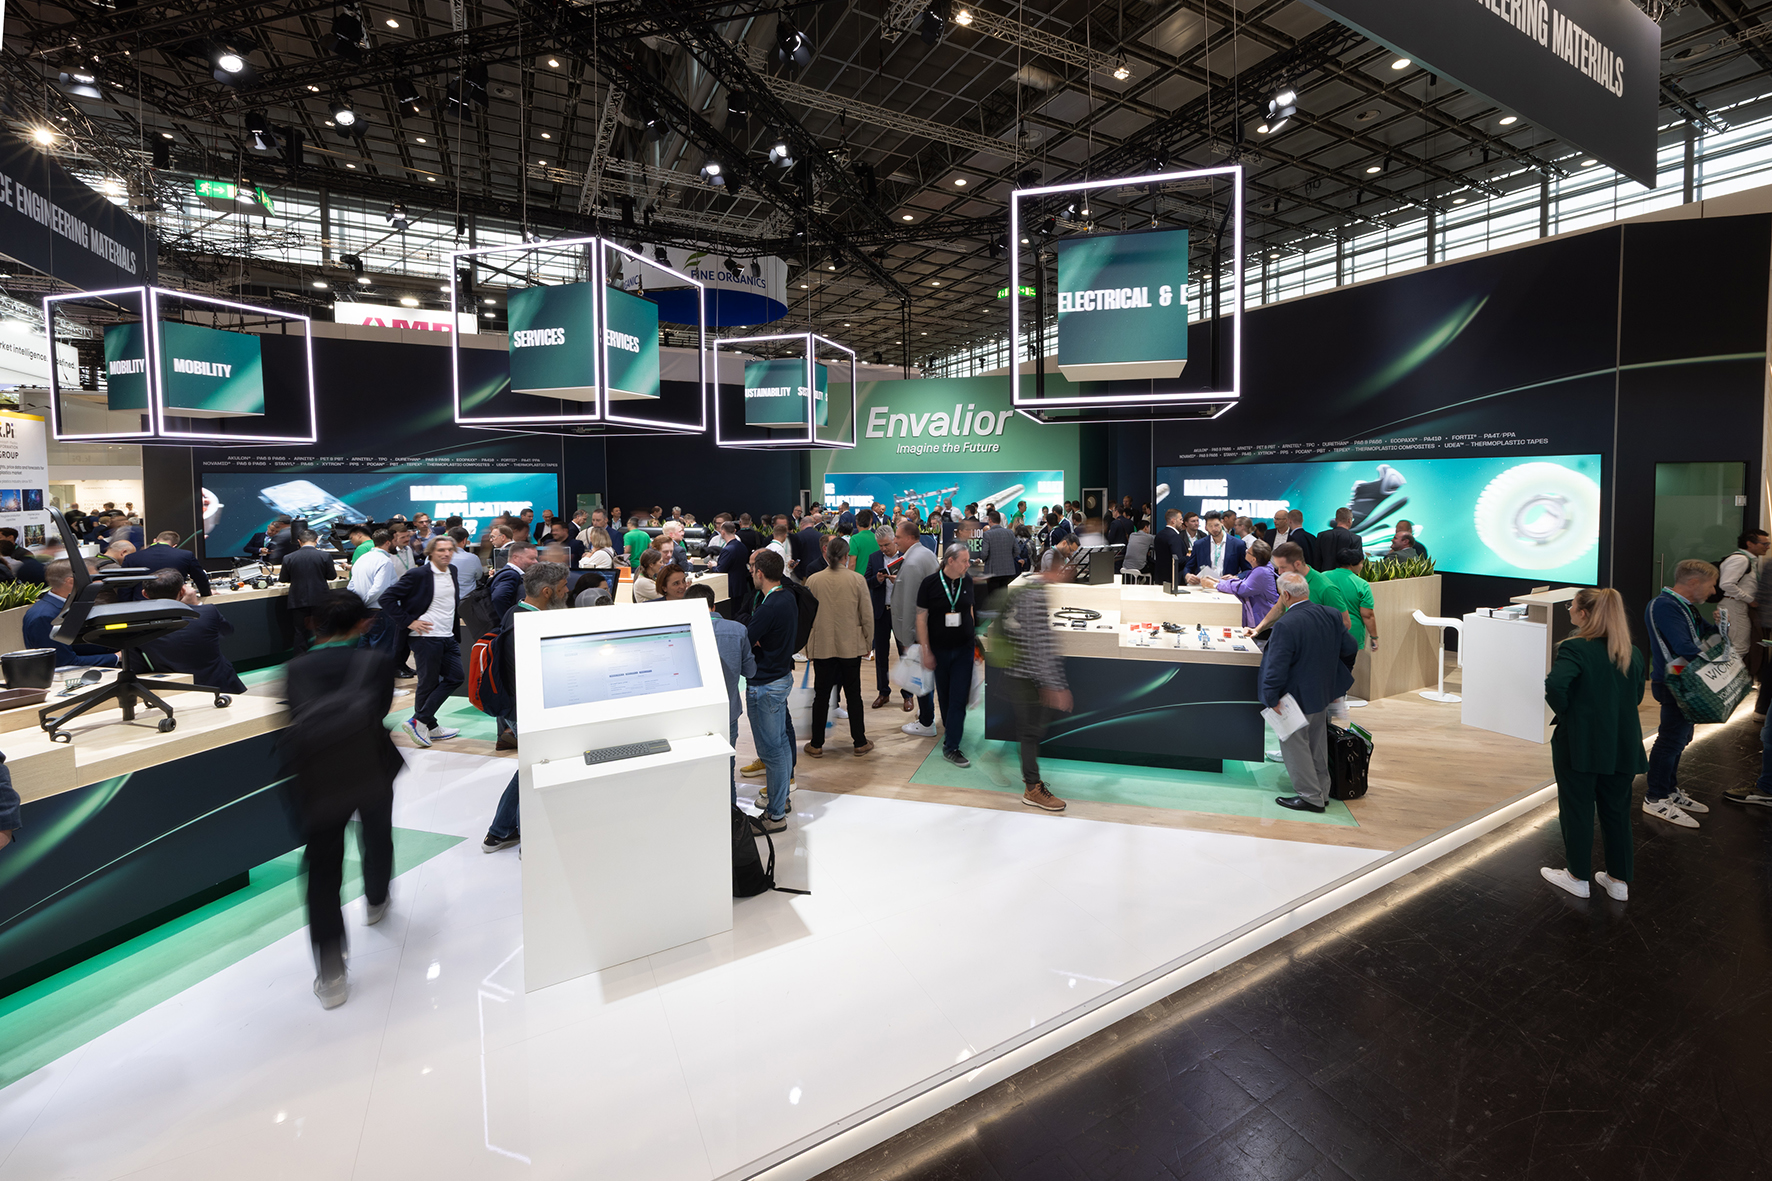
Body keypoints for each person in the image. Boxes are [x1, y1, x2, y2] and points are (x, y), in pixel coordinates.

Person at [282, 590, 400, 1009]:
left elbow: (291, 719)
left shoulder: (295, 667)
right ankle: (376, 899)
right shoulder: (376, 661)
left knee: (322, 868)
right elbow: (379, 710)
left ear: (316, 624)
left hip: (317, 776)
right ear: (361, 624)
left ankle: (331, 973)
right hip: (370, 764)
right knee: (377, 833)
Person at [1540, 588, 1646, 900]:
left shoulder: (1574, 648)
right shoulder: (1632, 652)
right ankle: (1618, 881)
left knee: (1577, 808)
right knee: (1617, 811)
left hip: (1580, 742)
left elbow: (1555, 686)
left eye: (1571, 606)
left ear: (1584, 614)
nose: (1569, 610)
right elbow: (1636, 696)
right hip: (1623, 742)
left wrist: (1571, 714)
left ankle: (1576, 876)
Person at [481, 561, 573, 854]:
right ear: (547, 592)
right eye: (563, 587)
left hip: (516, 709)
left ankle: (500, 832)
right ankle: (528, 841)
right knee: (534, 771)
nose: (567, 592)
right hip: (527, 711)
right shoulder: (533, 627)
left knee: (529, 768)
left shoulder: (515, 612)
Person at [1261, 572, 1358, 813]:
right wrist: (1338, 678)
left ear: (1285, 595)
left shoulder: (1286, 624)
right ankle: (1321, 792)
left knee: (1295, 746)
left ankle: (1310, 797)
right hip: (1323, 692)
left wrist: (1271, 696)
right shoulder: (1331, 614)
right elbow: (1350, 647)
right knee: (1317, 744)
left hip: (1293, 697)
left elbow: (1277, 665)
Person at [1643, 559, 1721, 828]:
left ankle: (1668, 790)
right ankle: (1656, 798)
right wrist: (1717, 658)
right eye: (1711, 585)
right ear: (1694, 582)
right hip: (1674, 683)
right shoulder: (1665, 606)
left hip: (1684, 681)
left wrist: (1720, 629)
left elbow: (1705, 636)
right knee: (1670, 740)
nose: (1713, 591)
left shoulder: (1684, 606)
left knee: (1680, 739)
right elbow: (1684, 647)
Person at [997, 558, 1071, 812]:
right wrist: (1052, 684)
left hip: (1025, 675)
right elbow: (1037, 645)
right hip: (1024, 676)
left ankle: (1031, 781)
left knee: (1030, 730)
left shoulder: (1034, 591)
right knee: (1029, 732)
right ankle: (1032, 789)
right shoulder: (1035, 596)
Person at [381, 537, 465, 748]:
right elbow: (387, 598)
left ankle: (422, 721)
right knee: (428, 682)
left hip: (448, 635)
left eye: (449, 549)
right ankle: (426, 725)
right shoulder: (418, 574)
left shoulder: (452, 571)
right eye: (441, 550)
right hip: (425, 637)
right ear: (431, 552)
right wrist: (409, 622)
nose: (446, 553)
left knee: (456, 677)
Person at [804, 535, 874, 758]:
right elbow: (867, 615)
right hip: (850, 646)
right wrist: (868, 642)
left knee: (821, 695)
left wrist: (807, 647)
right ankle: (860, 742)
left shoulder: (813, 580)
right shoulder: (857, 580)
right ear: (845, 556)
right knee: (854, 694)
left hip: (822, 645)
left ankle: (816, 744)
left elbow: (805, 617)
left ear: (826, 554)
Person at [745, 549, 797, 833]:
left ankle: (775, 815)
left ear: (760, 573)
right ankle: (781, 801)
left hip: (765, 685)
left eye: (753, 570)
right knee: (781, 744)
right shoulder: (787, 597)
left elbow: (747, 640)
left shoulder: (768, 607)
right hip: (781, 678)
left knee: (772, 751)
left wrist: (756, 640)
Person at [688, 582, 753, 804]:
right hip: (728, 712)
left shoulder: (683, 632)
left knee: (695, 769)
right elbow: (750, 671)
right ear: (713, 606)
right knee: (727, 767)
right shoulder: (738, 630)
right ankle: (730, 814)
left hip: (694, 717)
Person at [136, 568, 247, 694]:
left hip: (173, 690)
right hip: (222, 686)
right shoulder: (208, 611)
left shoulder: (138, 624)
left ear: (144, 594)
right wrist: (196, 604)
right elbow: (227, 631)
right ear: (182, 591)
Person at [917, 543, 979, 767]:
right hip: (939, 650)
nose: (968, 564)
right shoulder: (929, 584)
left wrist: (974, 642)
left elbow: (969, 610)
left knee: (958, 697)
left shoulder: (967, 581)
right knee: (944, 696)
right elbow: (921, 619)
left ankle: (951, 746)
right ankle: (950, 729)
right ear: (950, 561)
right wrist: (925, 650)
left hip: (963, 649)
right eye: (964, 561)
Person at [890, 522, 941, 733]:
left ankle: (926, 721)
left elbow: (911, 604)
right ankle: (927, 714)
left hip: (919, 631)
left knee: (920, 674)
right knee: (927, 674)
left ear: (910, 537)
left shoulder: (911, 563)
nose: (895, 541)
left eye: (898, 537)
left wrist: (907, 638)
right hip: (932, 625)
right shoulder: (927, 554)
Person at [24, 561, 118, 667]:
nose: (100, 582)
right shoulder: (45, 616)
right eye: (94, 578)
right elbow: (63, 662)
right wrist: (116, 657)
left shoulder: (68, 605)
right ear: (71, 582)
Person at [1255, 542, 1349, 635]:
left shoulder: (1326, 588)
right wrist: (1257, 629)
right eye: (1278, 567)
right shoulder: (1289, 581)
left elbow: (1345, 623)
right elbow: (1279, 609)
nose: (1279, 572)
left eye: (1283, 567)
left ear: (1297, 564)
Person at [865, 525, 906, 711]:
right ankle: (883, 692)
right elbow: (866, 581)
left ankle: (908, 694)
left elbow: (916, 583)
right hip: (881, 612)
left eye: (886, 545)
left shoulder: (905, 556)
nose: (883, 549)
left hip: (901, 612)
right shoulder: (874, 557)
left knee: (905, 654)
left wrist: (900, 581)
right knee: (881, 655)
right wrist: (877, 580)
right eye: (880, 545)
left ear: (894, 540)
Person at [280, 529, 339, 654]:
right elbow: (332, 576)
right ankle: (322, 657)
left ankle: (300, 659)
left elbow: (283, 579)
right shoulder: (325, 556)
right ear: (316, 540)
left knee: (300, 632)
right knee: (322, 630)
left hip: (298, 599)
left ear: (299, 541)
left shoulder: (288, 557)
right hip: (321, 599)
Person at [1201, 539, 1279, 628]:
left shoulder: (1261, 572)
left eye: (1248, 552)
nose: (1246, 551)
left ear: (1254, 559)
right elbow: (1245, 583)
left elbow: (1242, 589)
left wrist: (1215, 585)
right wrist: (1218, 581)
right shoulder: (1263, 567)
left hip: (1264, 620)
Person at [347, 529, 403, 653]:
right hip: (379, 613)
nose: (397, 544)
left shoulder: (361, 559)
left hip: (364, 613)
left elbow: (351, 587)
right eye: (395, 541)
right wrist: (365, 603)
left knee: (363, 653)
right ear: (388, 542)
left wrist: (359, 605)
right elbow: (379, 589)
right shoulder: (385, 561)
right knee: (381, 655)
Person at [1717, 530, 1767, 662]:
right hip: (1734, 605)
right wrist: (1750, 600)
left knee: (1736, 646)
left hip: (1737, 604)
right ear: (1750, 544)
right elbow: (1726, 584)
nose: (1767, 547)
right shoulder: (1740, 559)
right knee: (1738, 647)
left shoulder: (1748, 560)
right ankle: (1726, 674)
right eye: (1764, 544)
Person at [1322, 547, 1379, 656]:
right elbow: (1367, 615)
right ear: (1352, 564)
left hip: (1325, 630)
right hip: (1351, 633)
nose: (1362, 566)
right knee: (1346, 665)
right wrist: (1374, 637)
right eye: (1361, 563)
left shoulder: (1322, 577)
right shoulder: (1361, 584)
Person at [124, 530, 213, 597]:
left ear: (154, 540)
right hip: (176, 603)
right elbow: (200, 578)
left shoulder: (131, 558)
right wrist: (206, 595)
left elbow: (125, 586)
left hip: (142, 603)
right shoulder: (186, 555)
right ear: (174, 545)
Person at [1186, 512, 1245, 583]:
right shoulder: (1199, 545)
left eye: (1216, 525)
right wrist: (1187, 575)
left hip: (1228, 585)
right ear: (1206, 527)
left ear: (1222, 523)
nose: (1214, 529)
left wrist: (1236, 577)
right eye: (1210, 526)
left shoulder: (1238, 544)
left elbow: (1247, 570)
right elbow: (1188, 567)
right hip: (1205, 586)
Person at [711, 520, 752, 617]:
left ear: (723, 532)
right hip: (741, 585)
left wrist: (713, 566)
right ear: (735, 530)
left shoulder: (727, 550)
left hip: (730, 588)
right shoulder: (742, 546)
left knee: (731, 614)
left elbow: (720, 570)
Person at [489, 542, 534, 619]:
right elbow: (498, 597)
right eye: (531, 558)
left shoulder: (511, 573)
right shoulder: (510, 575)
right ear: (515, 558)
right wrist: (510, 619)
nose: (535, 562)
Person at [978, 511, 1018, 593]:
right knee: (1003, 595)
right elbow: (1017, 551)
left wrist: (984, 559)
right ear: (1000, 521)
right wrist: (1008, 558)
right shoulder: (1010, 533)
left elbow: (984, 554)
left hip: (992, 571)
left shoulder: (987, 534)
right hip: (1007, 570)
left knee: (993, 596)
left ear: (990, 520)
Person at [1152, 509, 1187, 586]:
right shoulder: (1174, 537)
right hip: (1173, 580)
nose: (1182, 522)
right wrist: (1188, 557)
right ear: (1173, 520)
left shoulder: (1159, 534)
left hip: (1160, 578)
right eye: (1180, 519)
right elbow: (1178, 560)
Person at [792, 511, 827, 582]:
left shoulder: (798, 536)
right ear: (813, 524)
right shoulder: (821, 535)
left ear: (802, 524)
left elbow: (795, 555)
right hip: (820, 571)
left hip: (804, 572)